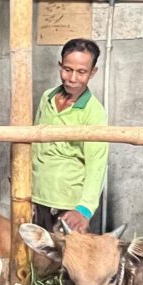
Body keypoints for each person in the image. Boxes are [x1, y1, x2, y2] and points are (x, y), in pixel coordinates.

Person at [32, 38, 109, 234]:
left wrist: (83, 209)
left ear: (93, 72)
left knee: (67, 260)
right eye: (67, 69)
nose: (72, 78)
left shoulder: (94, 111)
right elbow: (34, 143)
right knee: (35, 261)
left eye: (81, 72)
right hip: (37, 198)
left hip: (69, 205)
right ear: (60, 65)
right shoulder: (47, 97)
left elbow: (97, 165)